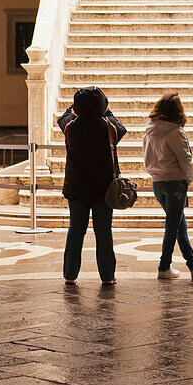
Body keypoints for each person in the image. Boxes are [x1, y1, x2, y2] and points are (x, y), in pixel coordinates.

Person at [58, 86, 125, 286]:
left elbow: (63, 116)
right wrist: (104, 109)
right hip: (103, 188)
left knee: (75, 230)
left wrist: (76, 107)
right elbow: (119, 125)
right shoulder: (109, 127)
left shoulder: (71, 126)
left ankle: (70, 274)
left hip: (76, 186)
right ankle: (107, 275)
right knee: (103, 231)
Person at [142, 92, 193, 281]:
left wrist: (154, 173)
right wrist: (189, 179)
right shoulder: (175, 131)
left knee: (179, 225)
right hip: (175, 183)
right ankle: (164, 267)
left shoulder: (150, 129)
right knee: (173, 226)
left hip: (157, 182)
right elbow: (185, 159)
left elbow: (146, 157)